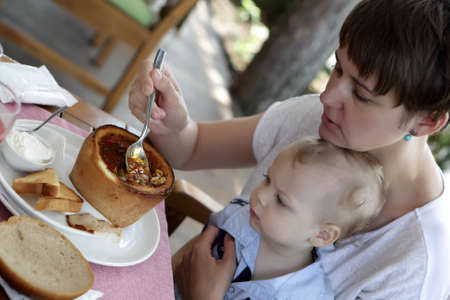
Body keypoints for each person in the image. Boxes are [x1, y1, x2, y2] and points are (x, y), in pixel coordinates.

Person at [128, 0, 450, 298]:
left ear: (426, 122)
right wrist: (168, 122)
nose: (328, 97)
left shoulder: (415, 267)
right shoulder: (315, 118)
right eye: (337, 68)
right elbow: (192, 147)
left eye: (361, 95)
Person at [174, 137, 386, 299]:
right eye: (267, 179)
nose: (260, 196)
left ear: (322, 234)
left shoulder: (305, 295)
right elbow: (185, 258)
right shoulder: (239, 216)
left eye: (281, 200)